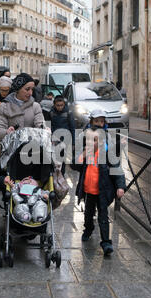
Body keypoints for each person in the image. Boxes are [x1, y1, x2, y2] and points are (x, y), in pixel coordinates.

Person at [72, 110, 126, 256]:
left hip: (102, 190)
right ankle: (88, 230)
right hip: (89, 189)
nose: (92, 143)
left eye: (95, 140)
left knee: (103, 217)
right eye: (90, 140)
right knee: (88, 214)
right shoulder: (85, 149)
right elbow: (74, 165)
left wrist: (120, 186)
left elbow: (116, 168)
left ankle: (106, 243)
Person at [0, 73, 46, 143]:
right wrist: (6, 132)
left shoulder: (35, 106)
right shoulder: (4, 106)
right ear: (18, 89)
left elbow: (40, 124)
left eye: (32, 89)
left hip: (31, 150)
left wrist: (44, 129)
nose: (30, 93)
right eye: (27, 89)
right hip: (11, 151)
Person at [50, 95, 75, 176]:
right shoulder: (51, 112)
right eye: (58, 105)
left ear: (64, 104)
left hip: (65, 138)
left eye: (61, 105)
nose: (60, 107)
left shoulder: (68, 112)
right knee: (54, 156)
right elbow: (50, 125)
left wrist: (73, 142)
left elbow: (72, 127)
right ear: (54, 105)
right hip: (54, 138)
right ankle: (54, 173)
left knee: (62, 156)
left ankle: (62, 174)